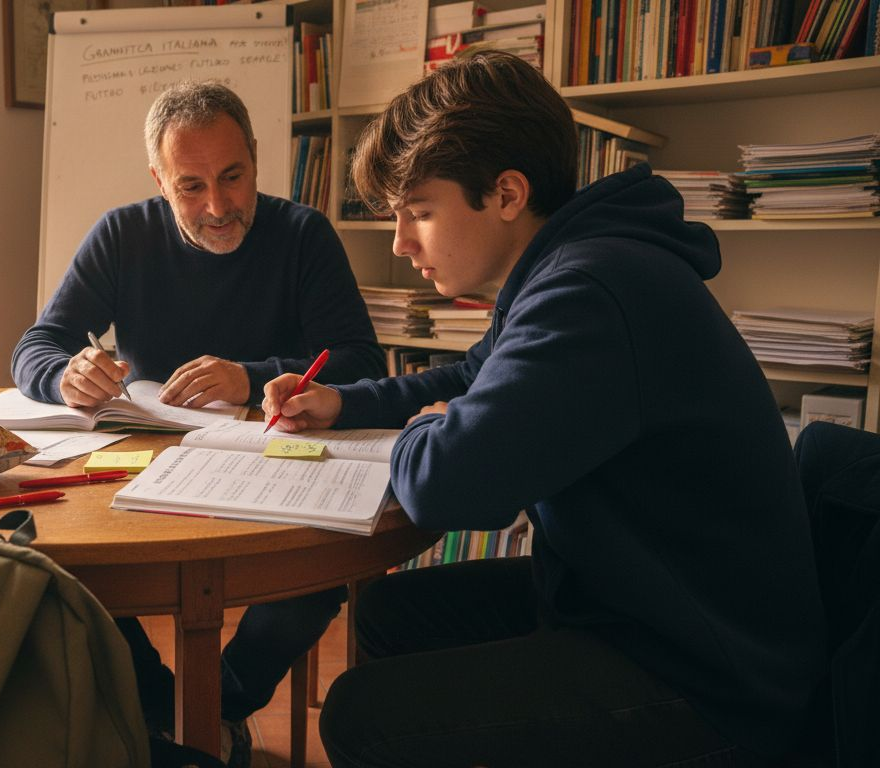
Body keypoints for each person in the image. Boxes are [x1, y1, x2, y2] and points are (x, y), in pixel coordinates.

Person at [262, 51, 827, 767]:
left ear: (505, 193)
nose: (402, 243)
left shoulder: (590, 290)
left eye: (420, 213)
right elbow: (474, 375)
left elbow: (450, 481)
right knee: (391, 612)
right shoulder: (570, 264)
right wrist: (343, 400)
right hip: (632, 603)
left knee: (361, 715)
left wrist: (426, 430)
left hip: (705, 675)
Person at [11, 80, 386, 766]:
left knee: (313, 575)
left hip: (279, 469)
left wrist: (251, 374)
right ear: (159, 180)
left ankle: (205, 710)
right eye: (190, 186)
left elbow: (363, 361)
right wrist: (63, 375)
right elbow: (36, 345)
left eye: (233, 177)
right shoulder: (122, 234)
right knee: (74, 564)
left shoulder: (303, 234)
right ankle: (172, 710)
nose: (218, 206)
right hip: (150, 467)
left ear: (255, 158)